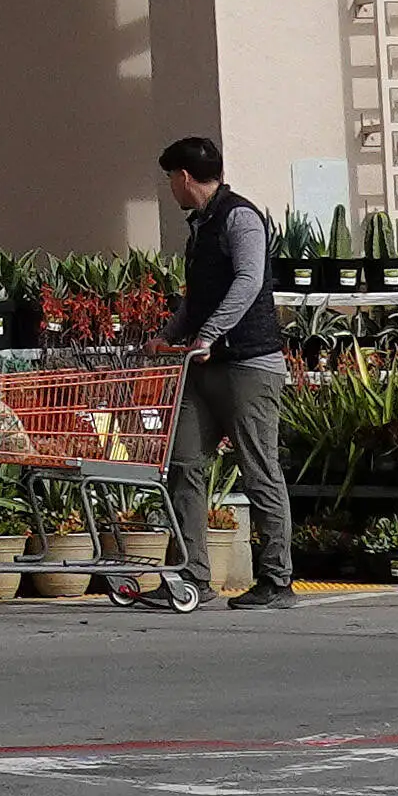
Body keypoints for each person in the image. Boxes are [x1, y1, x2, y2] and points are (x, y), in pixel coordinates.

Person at [156, 136, 292, 607]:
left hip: (249, 365)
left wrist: (210, 334)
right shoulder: (201, 225)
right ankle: (190, 576)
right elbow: (197, 296)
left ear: (184, 177)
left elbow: (249, 281)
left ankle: (276, 579)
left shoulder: (240, 217)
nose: (171, 188)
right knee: (184, 463)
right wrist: (169, 334)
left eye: (170, 179)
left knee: (259, 470)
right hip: (205, 366)